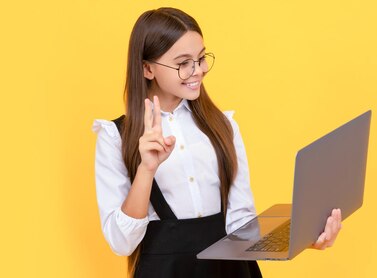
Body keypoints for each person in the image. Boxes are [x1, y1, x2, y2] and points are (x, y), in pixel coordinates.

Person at [92, 7, 342, 278]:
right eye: (183, 62)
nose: (198, 70)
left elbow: (241, 224)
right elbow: (121, 243)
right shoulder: (116, 136)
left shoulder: (223, 126)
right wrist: (146, 169)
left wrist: (305, 238)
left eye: (200, 58)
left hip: (232, 270)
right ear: (147, 68)